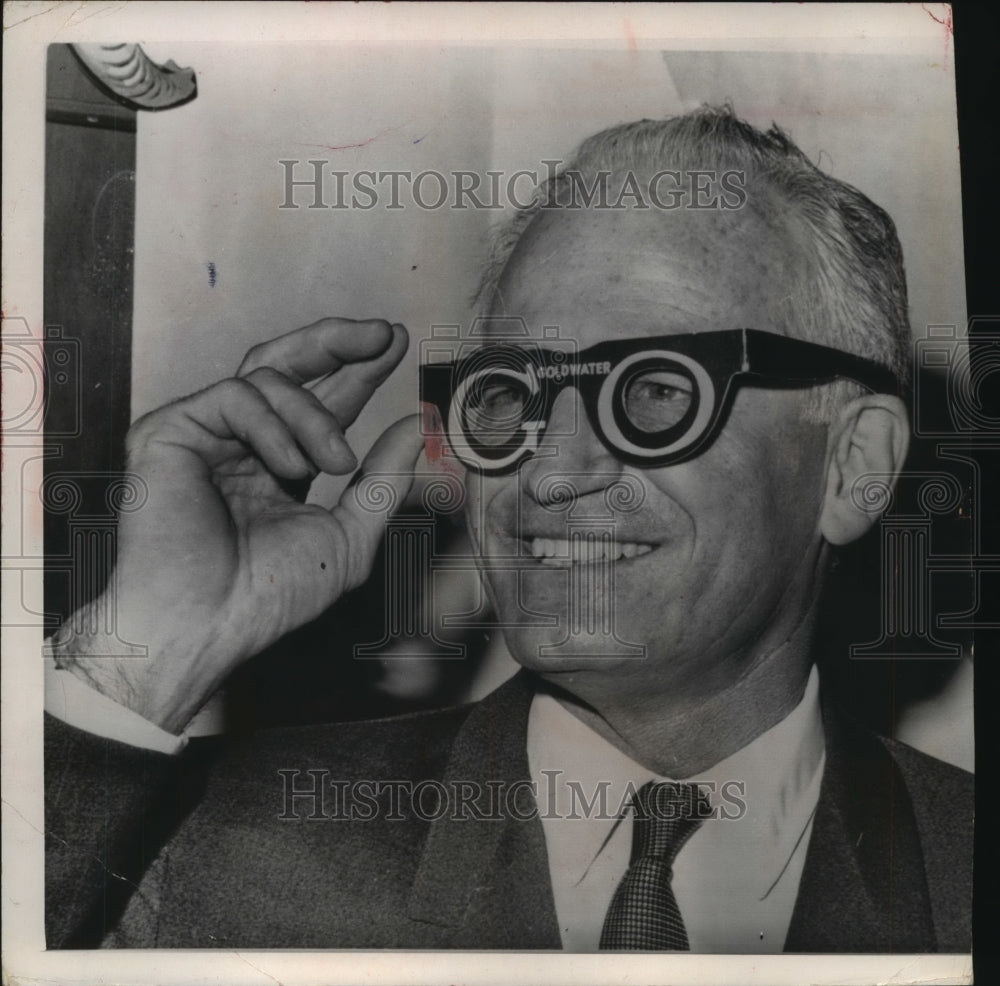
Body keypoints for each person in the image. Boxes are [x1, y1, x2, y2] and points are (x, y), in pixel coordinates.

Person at [44, 106, 972, 953]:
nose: (553, 472)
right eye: (511, 394)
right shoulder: (199, 846)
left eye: (655, 392)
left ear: (855, 465)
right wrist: (139, 662)